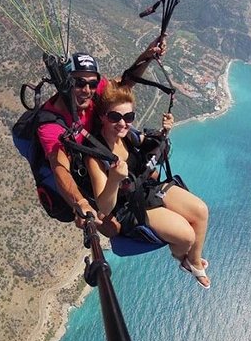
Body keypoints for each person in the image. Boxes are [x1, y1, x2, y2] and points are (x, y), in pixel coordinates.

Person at [84, 80, 211, 288]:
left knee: (201, 211)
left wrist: (164, 133)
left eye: (128, 117)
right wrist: (115, 179)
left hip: (148, 188)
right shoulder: (96, 157)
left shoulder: (130, 136)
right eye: (115, 117)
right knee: (187, 237)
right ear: (102, 118)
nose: (122, 123)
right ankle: (181, 258)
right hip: (128, 207)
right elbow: (104, 208)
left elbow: (152, 146)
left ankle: (194, 262)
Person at [37, 36, 166, 227]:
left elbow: (125, 83)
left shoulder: (94, 91)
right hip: (85, 177)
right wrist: (80, 203)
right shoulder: (51, 124)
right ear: (66, 83)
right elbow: (60, 168)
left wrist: (147, 55)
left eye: (92, 83)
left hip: (104, 160)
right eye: (78, 83)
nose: (86, 90)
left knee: (153, 176)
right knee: (111, 227)